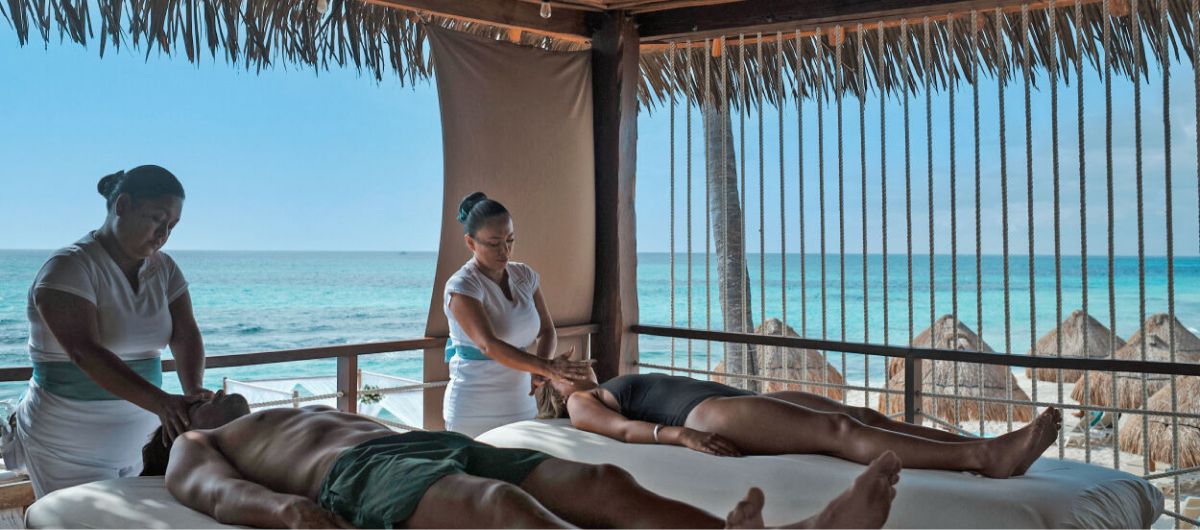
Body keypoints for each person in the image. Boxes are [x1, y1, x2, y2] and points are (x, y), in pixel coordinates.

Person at [148, 391, 903, 529]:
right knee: (503, 513)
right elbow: (212, 495)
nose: (211, 394)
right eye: (197, 398)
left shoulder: (289, 407)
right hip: (359, 479)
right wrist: (287, 512)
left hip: (420, 443)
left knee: (603, 481)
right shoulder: (196, 440)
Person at [3, 166, 210, 497]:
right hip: (67, 444)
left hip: (142, 438)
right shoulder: (69, 267)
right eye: (157, 219)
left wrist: (193, 391)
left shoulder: (165, 268)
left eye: (171, 225)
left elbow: (185, 334)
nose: (164, 234)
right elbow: (83, 351)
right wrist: (162, 403)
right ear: (123, 205)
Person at [534, 364, 1063, 479]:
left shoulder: (596, 382)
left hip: (729, 396)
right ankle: (984, 459)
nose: (567, 366)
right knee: (840, 434)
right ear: (551, 394)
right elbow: (624, 431)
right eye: (555, 373)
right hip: (706, 414)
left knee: (860, 412)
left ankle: (982, 443)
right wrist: (683, 436)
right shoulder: (581, 403)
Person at [441, 192, 591, 437]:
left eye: (510, 240)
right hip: (473, 407)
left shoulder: (524, 276)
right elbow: (488, 345)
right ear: (470, 243)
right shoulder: (463, 285)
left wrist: (539, 372)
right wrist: (548, 368)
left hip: (521, 402)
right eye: (493, 243)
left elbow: (546, 331)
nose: (505, 250)